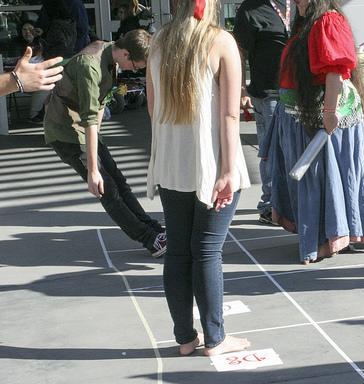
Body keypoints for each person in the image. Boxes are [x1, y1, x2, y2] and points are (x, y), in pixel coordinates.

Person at [146, 0, 252, 356]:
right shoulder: (221, 42)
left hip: (172, 162)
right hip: (211, 163)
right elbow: (230, 116)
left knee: (178, 250)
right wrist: (227, 169)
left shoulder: (159, 42)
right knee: (207, 251)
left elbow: (151, 106)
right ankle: (215, 338)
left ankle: (185, 338)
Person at [263, 0, 364, 264]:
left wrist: (329, 113)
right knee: (313, 181)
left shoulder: (327, 21)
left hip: (321, 117)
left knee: (321, 179)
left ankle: (324, 239)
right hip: (301, 116)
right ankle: (321, 236)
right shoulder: (307, 23)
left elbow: (334, 71)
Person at [44, 30, 167, 258]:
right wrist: (92, 169)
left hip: (85, 130)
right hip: (66, 133)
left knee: (118, 180)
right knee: (106, 188)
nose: (135, 70)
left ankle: (152, 228)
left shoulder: (111, 53)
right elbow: (89, 117)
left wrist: (98, 145)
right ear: (126, 53)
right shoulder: (90, 66)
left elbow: (100, 106)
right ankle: (148, 239)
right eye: (136, 65)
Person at [233, 0, 292, 226]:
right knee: (271, 149)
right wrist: (240, 87)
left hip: (297, 89)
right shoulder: (251, 9)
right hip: (267, 91)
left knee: (292, 148)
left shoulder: (297, 5)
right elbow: (239, 52)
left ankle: (287, 202)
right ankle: (269, 205)